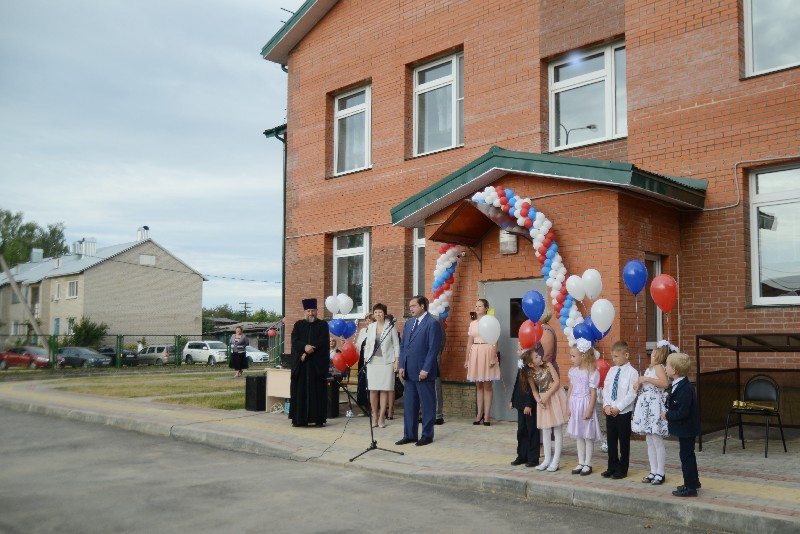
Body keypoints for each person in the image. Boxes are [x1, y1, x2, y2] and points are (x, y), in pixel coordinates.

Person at [395, 295, 442, 447]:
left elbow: (433, 349)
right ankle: (409, 434)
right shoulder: (409, 323)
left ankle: (427, 435)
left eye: (413, 306)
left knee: (427, 404)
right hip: (409, 370)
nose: (411, 309)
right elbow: (403, 347)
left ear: (422, 306)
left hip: (423, 372)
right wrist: (402, 365)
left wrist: (426, 368)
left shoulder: (432, 323)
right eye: (410, 306)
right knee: (410, 405)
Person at [661, 352, 702, 497]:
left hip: (687, 428)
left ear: (675, 370)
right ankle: (693, 481)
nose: (665, 368)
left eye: (667, 365)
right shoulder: (679, 385)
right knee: (688, 454)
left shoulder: (685, 389)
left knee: (686, 456)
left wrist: (667, 415)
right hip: (686, 428)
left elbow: (683, 412)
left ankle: (690, 487)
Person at [632, 340, 672, 486]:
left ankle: (660, 472)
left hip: (654, 405)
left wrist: (646, 379)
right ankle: (653, 470)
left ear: (658, 354)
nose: (652, 353)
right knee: (649, 440)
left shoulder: (659, 367)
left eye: (654, 351)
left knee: (657, 440)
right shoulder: (650, 368)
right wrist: (639, 384)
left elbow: (664, 383)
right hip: (647, 406)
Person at [524, 347, 568, 471]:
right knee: (546, 430)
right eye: (537, 357)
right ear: (531, 364)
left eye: (539, 355)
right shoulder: (530, 374)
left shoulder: (548, 366)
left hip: (554, 397)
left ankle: (556, 460)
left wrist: (547, 396)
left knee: (557, 429)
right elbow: (533, 390)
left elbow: (557, 382)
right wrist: (539, 400)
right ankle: (547, 459)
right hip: (543, 400)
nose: (540, 357)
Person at [601, 340, 639, 480]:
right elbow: (606, 388)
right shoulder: (612, 370)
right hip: (610, 410)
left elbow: (631, 394)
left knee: (623, 441)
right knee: (611, 440)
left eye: (617, 356)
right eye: (613, 357)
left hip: (623, 412)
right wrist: (606, 405)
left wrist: (619, 407)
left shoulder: (632, 373)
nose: (614, 359)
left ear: (626, 355)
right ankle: (612, 466)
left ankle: (622, 468)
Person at [289, 298, 330, 427]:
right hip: (302, 367)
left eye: (313, 310)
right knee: (300, 391)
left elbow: (322, 342)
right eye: (308, 311)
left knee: (316, 392)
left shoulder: (323, 325)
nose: (310, 313)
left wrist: (307, 352)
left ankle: (318, 418)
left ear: (317, 311)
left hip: (316, 365)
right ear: (304, 312)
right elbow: (295, 341)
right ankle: (300, 419)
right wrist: (304, 347)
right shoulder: (298, 325)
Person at [566, 338, 603, 476]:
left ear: (583, 356)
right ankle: (580, 461)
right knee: (578, 434)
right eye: (570, 356)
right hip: (575, 404)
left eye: (573, 356)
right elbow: (570, 388)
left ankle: (588, 463)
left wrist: (589, 409)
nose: (571, 359)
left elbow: (593, 394)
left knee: (587, 435)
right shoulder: (573, 371)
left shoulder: (592, 372)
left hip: (586, 404)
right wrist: (568, 406)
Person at [363, 303, 400, 428]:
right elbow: (368, 345)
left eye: (380, 312)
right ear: (373, 314)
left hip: (386, 362)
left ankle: (382, 416)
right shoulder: (371, 327)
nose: (378, 314)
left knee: (384, 389)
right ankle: (374, 415)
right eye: (376, 312)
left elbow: (396, 345)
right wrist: (365, 359)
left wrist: (396, 361)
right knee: (373, 390)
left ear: (384, 313)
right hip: (373, 362)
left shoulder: (390, 327)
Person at [464, 299, 499, 426]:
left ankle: (487, 416)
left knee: (487, 386)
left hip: (487, 351)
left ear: (486, 308)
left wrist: (493, 357)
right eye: (476, 305)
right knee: (478, 385)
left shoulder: (491, 321)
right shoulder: (472, 323)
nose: (477, 308)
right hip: (475, 352)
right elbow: (469, 343)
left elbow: (495, 340)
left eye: (480, 306)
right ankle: (479, 414)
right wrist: (467, 359)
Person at [509, 345, 539, 468]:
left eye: (520, 349)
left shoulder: (532, 370)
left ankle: (533, 458)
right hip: (520, 403)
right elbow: (517, 382)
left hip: (529, 405)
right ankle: (522, 455)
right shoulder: (521, 366)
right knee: (521, 430)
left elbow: (533, 389)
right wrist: (512, 400)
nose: (518, 350)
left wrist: (529, 404)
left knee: (531, 430)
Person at [355, 317, 373, 412]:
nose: (367, 322)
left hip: (372, 362)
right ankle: (363, 405)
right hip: (362, 360)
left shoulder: (375, 331)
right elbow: (358, 345)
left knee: (370, 383)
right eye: (366, 320)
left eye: (369, 320)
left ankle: (372, 405)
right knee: (362, 383)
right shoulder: (362, 331)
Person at [434, 314, 446, 425]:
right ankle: (424, 413)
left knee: (435, 384)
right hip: (418, 359)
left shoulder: (436, 319)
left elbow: (442, 339)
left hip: (433, 357)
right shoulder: (413, 321)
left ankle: (438, 415)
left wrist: (437, 354)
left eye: (414, 306)